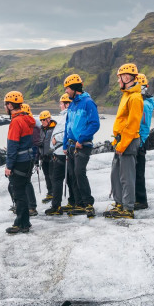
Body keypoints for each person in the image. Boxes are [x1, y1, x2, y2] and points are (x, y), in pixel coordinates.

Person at [105, 63, 144, 219]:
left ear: (127, 77)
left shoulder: (135, 97)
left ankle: (128, 208)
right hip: (121, 141)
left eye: (120, 77)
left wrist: (122, 144)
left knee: (126, 176)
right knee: (116, 175)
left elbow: (133, 125)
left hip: (128, 141)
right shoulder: (127, 95)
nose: (118, 80)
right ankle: (120, 204)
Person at [63, 74, 100, 217]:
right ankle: (79, 204)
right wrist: (66, 144)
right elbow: (68, 125)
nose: (66, 91)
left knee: (79, 172)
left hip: (83, 145)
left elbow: (95, 124)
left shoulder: (88, 102)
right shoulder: (72, 104)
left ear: (74, 88)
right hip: (72, 146)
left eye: (67, 88)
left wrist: (82, 139)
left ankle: (88, 203)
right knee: (72, 174)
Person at [4, 91, 35, 234]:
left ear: (10, 105)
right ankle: (25, 222)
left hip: (19, 162)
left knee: (19, 194)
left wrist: (9, 166)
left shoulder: (16, 121)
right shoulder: (26, 119)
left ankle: (21, 224)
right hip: (28, 160)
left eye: (6, 105)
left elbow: (12, 146)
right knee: (22, 192)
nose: (5, 107)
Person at [133, 73, 154, 210]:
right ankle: (137, 198)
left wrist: (140, 142)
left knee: (138, 171)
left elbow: (144, 126)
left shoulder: (144, 104)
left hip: (140, 141)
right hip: (139, 140)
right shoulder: (142, 102)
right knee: (135, 171)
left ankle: (141, 200)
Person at [38, 110, 57, 203]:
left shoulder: (55, 128)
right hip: (43, 157)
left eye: (44, 120)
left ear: (49, 119)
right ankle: (50, 193)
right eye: (41, 120)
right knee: (46, 176)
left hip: (52, 156)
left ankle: (54, 193)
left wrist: (53, 153)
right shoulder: (41, 129)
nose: (42, 122)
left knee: (52, 175)